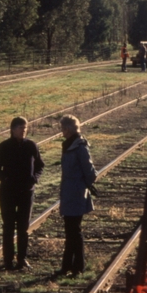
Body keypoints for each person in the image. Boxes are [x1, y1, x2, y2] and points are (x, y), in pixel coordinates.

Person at [0, 116, 44, 270]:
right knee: (8, 226)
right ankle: (7, 260)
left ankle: (22, 259)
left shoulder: (31, 146)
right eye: (21, 128)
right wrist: (5, 180)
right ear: (12, 129)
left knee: (23, 227)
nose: (23, 131)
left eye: (25, 128)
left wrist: (34, 179)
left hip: (26, 192)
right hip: (8, 192)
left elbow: (40, 165)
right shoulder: (4, 146)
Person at [54, 114, 98, 277]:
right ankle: (68, 267)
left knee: (74, 231)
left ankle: (77, 267)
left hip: (76, 194)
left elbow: (91, 172)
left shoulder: (79, 146)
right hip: (69, 193)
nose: (61, 132)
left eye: (62, 129)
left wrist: (82, 185)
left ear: (68, 129)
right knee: (71, 231)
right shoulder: (70, 145)